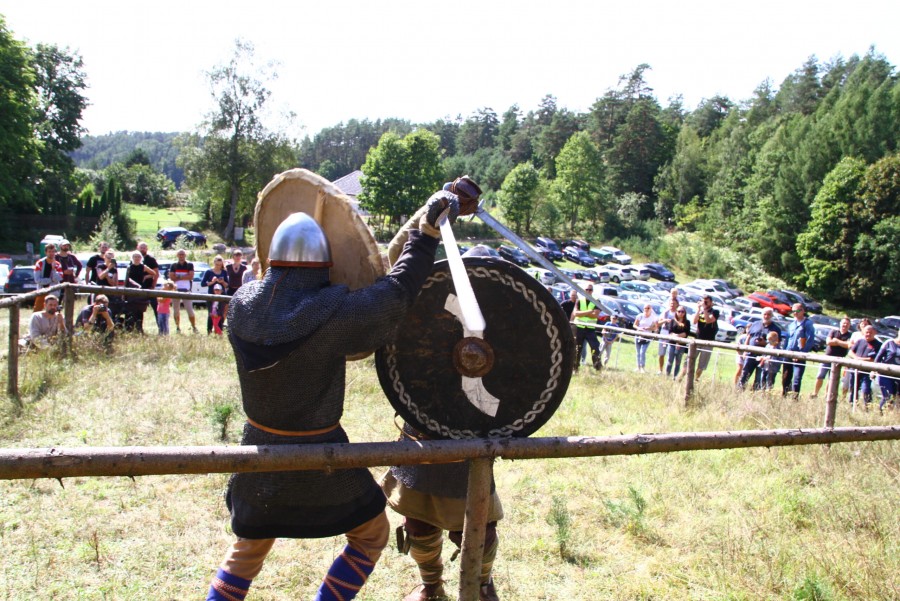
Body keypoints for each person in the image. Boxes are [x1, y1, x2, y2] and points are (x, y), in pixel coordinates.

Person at [205, 189, 458, 601]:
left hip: (258, 454)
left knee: (247, 550)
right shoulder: (329, 315)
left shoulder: (242, 305)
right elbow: (394, 294)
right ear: (323, 265)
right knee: (372, 533)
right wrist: (426, 237)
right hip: (319, 456)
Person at [738, 308, 782, 390]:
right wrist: (745, 351)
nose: (766, 316)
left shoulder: (776, 329)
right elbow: (748, 336)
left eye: (769, 314)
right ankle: (739, 391)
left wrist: (764, 343)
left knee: (759, 377)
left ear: (772, 316)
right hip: (750, 354)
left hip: (764, 357)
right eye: (765, 314)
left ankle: (756, 394)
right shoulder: (755, 324)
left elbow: (776, 343)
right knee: (745, 373)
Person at [812, 317, 852, 399]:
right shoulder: (833, 331)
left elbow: (848, 345)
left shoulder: (850, 335)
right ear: (840, 323)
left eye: (847, 324)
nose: (845, 325)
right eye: (844, 323)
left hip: (838, 360)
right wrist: (841, 343)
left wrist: (836, 341)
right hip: (827, 357)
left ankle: (827, 395)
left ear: (849, 325)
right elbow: (828, 342)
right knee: (820, 376)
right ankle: (815, 393)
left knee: (831, 379)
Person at [782, 303, 816, 399]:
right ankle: (784, 396)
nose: (795, 313)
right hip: (788, 354)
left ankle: (794, 398)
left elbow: (810, 340)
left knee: (796, 379)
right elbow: (787, 339)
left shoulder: (807, 324)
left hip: (799, 355)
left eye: (797, 311)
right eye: (793, 311)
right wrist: (784, 352)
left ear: (803, 311)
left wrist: (801, 354)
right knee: (785, 377)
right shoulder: (792, 324)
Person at [847, 325, 882, 408]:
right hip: (855, 369)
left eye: (870, 332)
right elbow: (850, 352)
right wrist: (856, 358)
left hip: (867, 372)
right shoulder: (860, 341)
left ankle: (867, 407)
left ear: (874, 333)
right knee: (853, 388)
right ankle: (852, 405)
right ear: (863, 332)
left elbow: (873, 359)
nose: (868, 334)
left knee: (865, 389)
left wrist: (860, 360)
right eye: (866, 332)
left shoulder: (878, 344)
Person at [123, 251, 156, 333]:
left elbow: (154, 273)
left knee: (139, 309)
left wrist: (146, 276)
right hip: (130, 290)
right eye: (135, 257)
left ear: (141, 258)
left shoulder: (143, 267)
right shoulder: (129, 267)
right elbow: (126, 280)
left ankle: (139, 328)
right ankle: (128, 328)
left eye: (138, 257)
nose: (137, 258)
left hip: (140, 289)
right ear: (132, 258)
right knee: (129, 309)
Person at [572, 284, 603, 372]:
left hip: (590, 329)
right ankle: (575, 368)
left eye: (590, 290)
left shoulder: (596, 301)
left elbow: (595, 315)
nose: (588, 291)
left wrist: (582, 313)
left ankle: (597, 367)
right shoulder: (579, 300)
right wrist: (589, 311)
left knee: (595, 347)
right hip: (579, 327)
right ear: (584, 290)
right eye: (587, 289)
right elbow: (576, 314)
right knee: (577, 348)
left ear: (592, 291)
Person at [691, 296, 720, 380]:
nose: (705, 304)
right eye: (704, 302)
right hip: (698, 339)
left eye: (707, 302)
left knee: (702, 363)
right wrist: (698, 309)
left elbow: (708, 321)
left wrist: (704, 310)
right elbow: (694, 321)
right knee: (690, 360)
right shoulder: (700, 311)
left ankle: (696, 379)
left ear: (711, 302)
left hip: (708, 341)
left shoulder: (715, 312)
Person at [170, 249, 197, 333]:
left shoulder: (189, 265)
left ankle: (193, 326)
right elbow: (172, 277)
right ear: (177, 255)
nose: (181, 256)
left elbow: (191, 276)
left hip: (187, 290)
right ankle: (177, 327)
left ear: (185, 255)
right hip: (176, 290)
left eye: (183, 254)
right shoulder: (173, 265)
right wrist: (185, 276)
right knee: (176, 310)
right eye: (180, 254)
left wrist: (178, 277)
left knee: (190, 310)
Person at [873, 330, 900, 412]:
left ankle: (893, 415)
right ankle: (881, 413)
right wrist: (874, 370)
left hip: (898, 375)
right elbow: (878, 358)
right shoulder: (889, 343)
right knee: (889, 395)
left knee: (897, 396)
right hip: (885, 373)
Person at [202, 256, 229, 334]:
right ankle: (209, 331)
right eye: (217, 264)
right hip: (211, 295)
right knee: (211, 313)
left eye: (220, 265)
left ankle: (219, 331)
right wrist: (212, 282)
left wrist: (222, 282)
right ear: (214, 263)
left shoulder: (224, 272)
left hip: (221, 296)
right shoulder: (208, 272)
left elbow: (227, 285)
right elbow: (203, 283)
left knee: (220, 314)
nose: (218, 266)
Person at [33, 243, 63, 312]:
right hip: (41, 290)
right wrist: (50, 280)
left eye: (53, 251)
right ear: (46, 252)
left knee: (54, 311)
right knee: (37, 310)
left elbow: (58, 279)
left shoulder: (58, 264)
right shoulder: (39, 263)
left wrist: (53, 269)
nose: (51, 253)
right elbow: (37, 280)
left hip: (53, 291)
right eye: (49, 251)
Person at [665, 306, 690, 379]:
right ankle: (667, 375)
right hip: (672, 343)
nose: (681, 313)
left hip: (682, 344)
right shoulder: (672, 321)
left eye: (682, 311)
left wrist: (678, 336)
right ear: (676, 312)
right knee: (670, 360)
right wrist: (675, 336)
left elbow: (686, 333)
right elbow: (670, 332)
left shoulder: (687, 322)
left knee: (678, 362)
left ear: (685, 313)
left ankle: (675, 377)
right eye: (679, 311)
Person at [137, 241, 160, 318]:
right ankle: (139, 328)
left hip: (149, 287)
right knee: (138, 309)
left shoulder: (151, 259)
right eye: (141, 247)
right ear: (137, 248)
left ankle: (161, 328)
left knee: (156, 308)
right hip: (138, 288)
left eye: (144, 248)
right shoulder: (135, 259)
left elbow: (156, 274)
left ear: (147, 249)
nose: (142, 249)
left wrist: (153, 286)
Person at [633, 303, 658, 373]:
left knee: (642, 352)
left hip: (647, 336)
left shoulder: (654, 317)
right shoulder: (640, 316)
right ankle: (638, 366)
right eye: (645, 308)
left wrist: (649, 328)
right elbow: (634, 325)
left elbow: (656, 328)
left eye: (648, 308)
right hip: (639, 335)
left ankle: (642, 367)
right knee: (638, 352)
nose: (646, 310)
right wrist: (639, 328)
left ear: (651, 309)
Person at [656, 297, 679, 375]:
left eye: (674, 304)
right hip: (664, 332)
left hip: (673, 334)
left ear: (677, 305)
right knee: (661, 353)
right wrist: (665, 320)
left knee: (671, 354)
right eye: (671, 303)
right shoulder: (665, 312)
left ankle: (668, 371)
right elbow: (658, 323)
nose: (672, 305)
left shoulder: (678, 313)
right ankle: (660, 369)